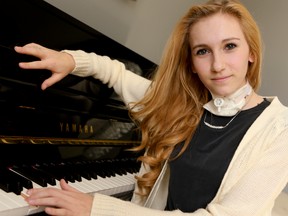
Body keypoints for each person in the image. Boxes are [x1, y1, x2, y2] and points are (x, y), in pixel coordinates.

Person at [14, 0, 288, 215]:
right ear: (191, 62)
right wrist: (71, 60)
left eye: (230, 46)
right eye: (202, 51)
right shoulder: (182, 105)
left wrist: (96, 208)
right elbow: (115, 73)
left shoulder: (280, 129)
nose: (217, 65)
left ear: (251, 52)